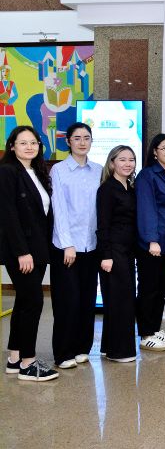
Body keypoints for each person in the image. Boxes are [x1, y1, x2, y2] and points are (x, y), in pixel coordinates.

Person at [0, 126, 58, 381]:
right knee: (34, 302)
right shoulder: (7, 171)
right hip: (22, 251)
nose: (29, 147)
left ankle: (14, 359)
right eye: (23, 143)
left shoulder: (37, 172)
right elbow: (8, 214)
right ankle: (28, 363)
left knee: (24, 302)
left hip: (38, 249)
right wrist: (22, 252)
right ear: (12, 146)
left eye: (33, 142)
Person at [49, 122, 102, 369]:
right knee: (66, 301)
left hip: (92, 245)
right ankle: (63, 352)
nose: (82, 142)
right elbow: (58, 208)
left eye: (87, 138)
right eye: (77, 138)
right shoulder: (59, 170)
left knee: (87, 300)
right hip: (67, 247)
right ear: (68, 141)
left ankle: (82, 347)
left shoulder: (98, 170)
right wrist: (67, 244)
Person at [136, 134, 165, 352]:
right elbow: (146, 208)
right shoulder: (147, 175)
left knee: (161, 290)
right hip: (153, 243)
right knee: (149, 289)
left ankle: (154, 329)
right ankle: (145, 334)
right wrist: (152, 240)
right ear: (155, 152)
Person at [96, 145, 138, 363]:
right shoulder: (107, 189)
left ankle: (108, 347)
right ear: (112, 163)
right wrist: (106, 255)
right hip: (113, 252)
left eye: (131, 159)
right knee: (120, 301)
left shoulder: (130, 187)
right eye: (122, 159)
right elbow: (102, 225)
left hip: (127, 251)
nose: (127, 164)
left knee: (122, 299)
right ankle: (119, 352)